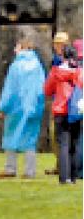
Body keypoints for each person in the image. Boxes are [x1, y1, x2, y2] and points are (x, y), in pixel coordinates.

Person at [0, 34, 46, 178]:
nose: (14, 49)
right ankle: (30, 171)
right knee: (30, 139)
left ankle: (10, 169)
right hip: (34, 107)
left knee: (11, 137)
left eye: (16, 47)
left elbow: (10, 89)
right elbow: (42, 87)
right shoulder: (38, 66)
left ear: (22, 47)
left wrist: (3, 107)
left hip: (16, 108)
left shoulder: (16, 66)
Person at [43, 45, 82, 185]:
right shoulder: (79, 73)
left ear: (63, 57)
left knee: (63, 145)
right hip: (76, 111)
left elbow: (47, 90)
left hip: (61, 111)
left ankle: (64, 178)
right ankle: (73, 177)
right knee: (75, 144)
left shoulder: (56, 72)